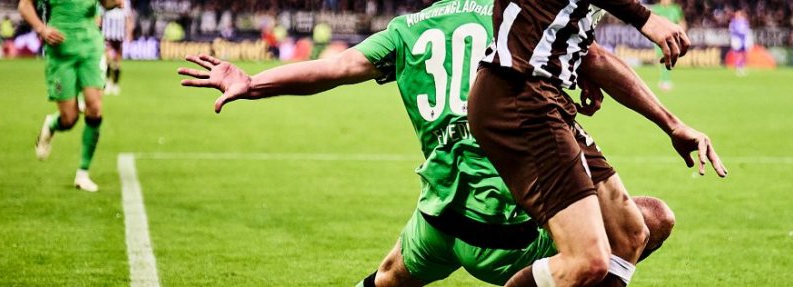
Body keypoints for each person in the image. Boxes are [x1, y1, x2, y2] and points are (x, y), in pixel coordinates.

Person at [176, 0, 681, 285]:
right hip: (514, 220)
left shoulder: (406, 30)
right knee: (640, 226)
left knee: (388, 277)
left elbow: (333, 69)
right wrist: (663, 116)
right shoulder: (509, 18)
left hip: (440, 220)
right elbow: (593, 57)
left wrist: (254, 83)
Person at [468, 0, 727, 286]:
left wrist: (673, 125)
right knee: (587, 260)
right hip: (517, 94)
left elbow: (594, 57)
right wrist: (645, 18)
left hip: (546, 99)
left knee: (630, 235)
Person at [23, 0, 121, 192]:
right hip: (61, 51)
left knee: (95, 108)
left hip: (90, 47)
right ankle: (52, 124)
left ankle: (83, 173)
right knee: (69, 118)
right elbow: (24, 5)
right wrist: (41, 29)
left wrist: (115, 3)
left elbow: (107, 3)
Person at [650, 0, 685, 91]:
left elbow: (681, 22)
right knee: (662, 58)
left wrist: (682, 32)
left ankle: (666, 80)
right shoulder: (656, 9)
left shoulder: (675, 9)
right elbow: (651, 23)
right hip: (659, 37)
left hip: (672, 37)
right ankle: (664, 81)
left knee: (669, 57)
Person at [99, 0, 133, 95]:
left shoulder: (125, 2)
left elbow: (128, 17)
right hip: (107, 35)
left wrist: (129, 33)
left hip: (119, 35)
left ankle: (115, 84)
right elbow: (100, 16)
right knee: (108, 60)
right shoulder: (105, 1)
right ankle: (108, 82)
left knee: (117, 61)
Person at [729, 9, 751, 77]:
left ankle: (742, 67)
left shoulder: (744, 21)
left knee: (744, 54)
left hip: (744, 40)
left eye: (739, 14)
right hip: (737, 40)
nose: (738, 15)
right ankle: (738, 68)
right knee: (738, 54)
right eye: (737, 14)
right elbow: (732, 31)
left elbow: (747, 30)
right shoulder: (733, 22)